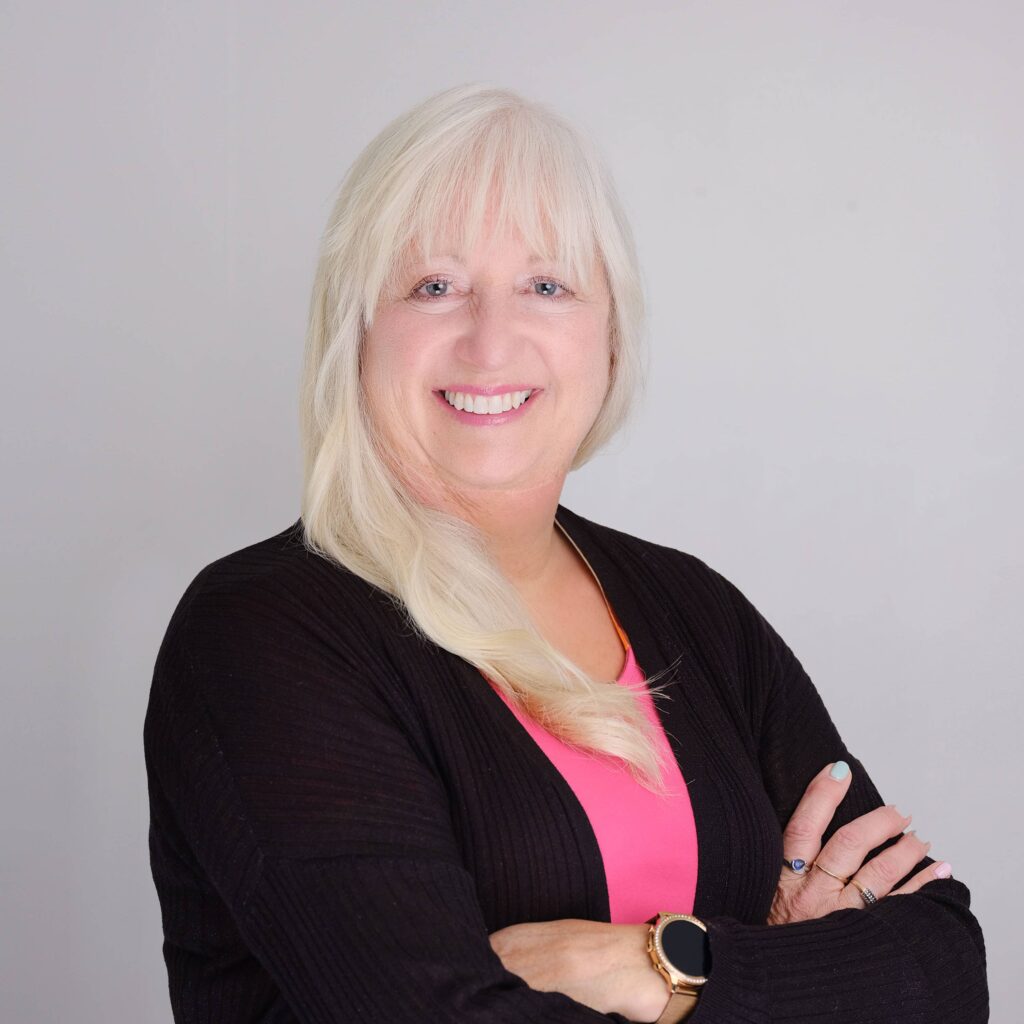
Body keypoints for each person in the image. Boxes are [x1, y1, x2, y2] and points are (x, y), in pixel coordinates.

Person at [143, 83, 988, 1023]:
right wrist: (795, 973)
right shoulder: (264, 635)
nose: (491, 339)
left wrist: (662, 967)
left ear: (610, 338)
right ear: (355, 335)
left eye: (547, 286)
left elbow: (944, 971)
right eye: (435, 286)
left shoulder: (692, 609)